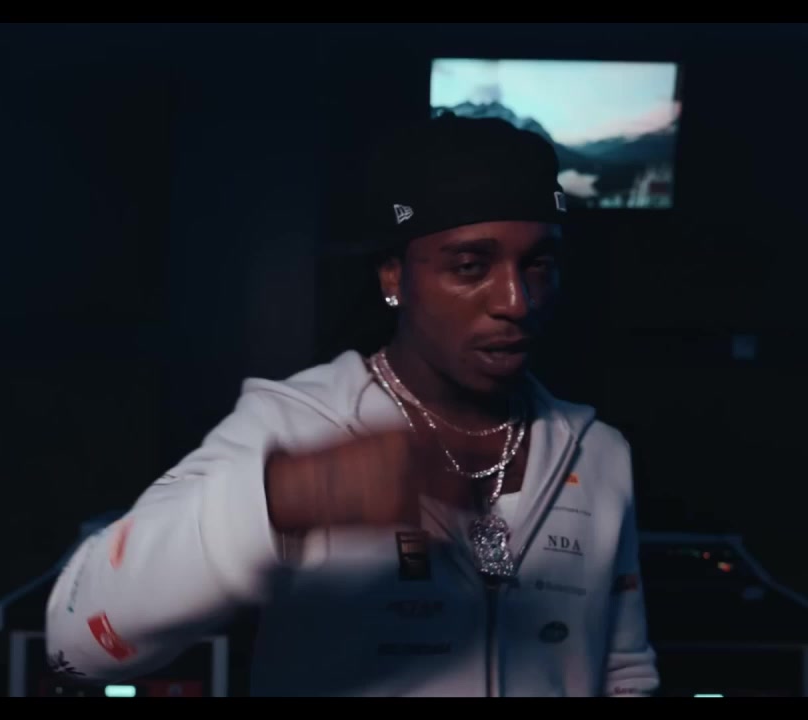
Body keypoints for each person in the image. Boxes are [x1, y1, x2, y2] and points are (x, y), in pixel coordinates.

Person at [44, 114, 660, 697]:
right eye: (471, 266)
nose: (517, 301)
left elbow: (624, 667)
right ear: (394, 277)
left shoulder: (597, 452)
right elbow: (76, 642)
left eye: (539, 265)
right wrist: (289, 496)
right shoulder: (293, 426)